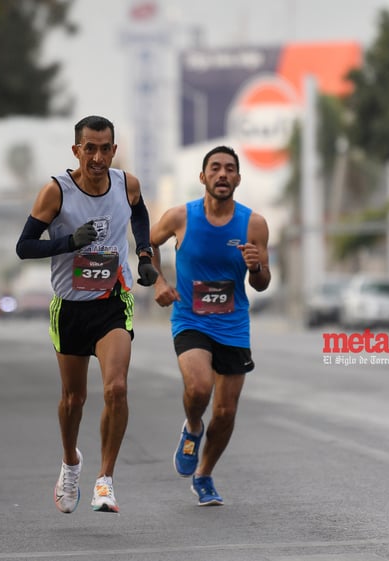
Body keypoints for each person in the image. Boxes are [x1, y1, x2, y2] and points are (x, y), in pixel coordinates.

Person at [15, 115, 158, 514]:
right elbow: (24, 247)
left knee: (116, 388)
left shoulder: (126, 183)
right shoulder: (55, 192)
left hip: (113, 301)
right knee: (73, 398)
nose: (97, 157)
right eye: (89, 148)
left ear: (114, 150)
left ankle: (105, 480)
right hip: (70, 308)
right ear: (76, 150)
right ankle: (70, 462)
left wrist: (144, 254)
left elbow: (139, 213)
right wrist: (67, 242)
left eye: (105, 148)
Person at [148, 145, 270, 506]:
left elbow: (263, 283)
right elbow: (146, 245)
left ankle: (204, 475)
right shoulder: (179, 217)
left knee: (226, 411)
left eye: (229, 169)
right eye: (215, 168)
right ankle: (192, 427)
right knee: (200, 389)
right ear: (203, 177)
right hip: (191, 318)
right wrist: (158, 282)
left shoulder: (254, 224)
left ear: (237, 178)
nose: (222, 174)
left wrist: (256, 267)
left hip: (233, 323)